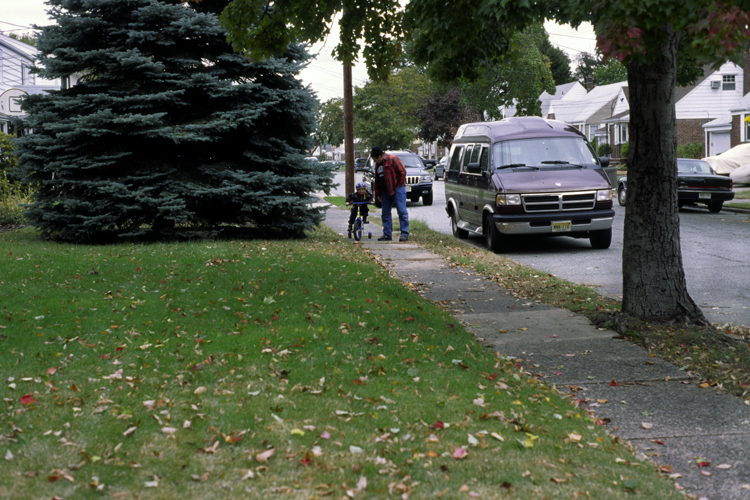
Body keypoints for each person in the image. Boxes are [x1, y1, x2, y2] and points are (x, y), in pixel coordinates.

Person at [371, 146, 409, 241]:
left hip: (397, 189)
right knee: (385, 213)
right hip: (385, 191)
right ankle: (387, 234)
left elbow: (403, 172)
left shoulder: (393, 159)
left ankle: (404, 234)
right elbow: (377, 180)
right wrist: (378, 194)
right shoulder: (377, 165)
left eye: (375, 159)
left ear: (380, 156)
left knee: (402, 211)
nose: (375, 162)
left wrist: (399, 185)